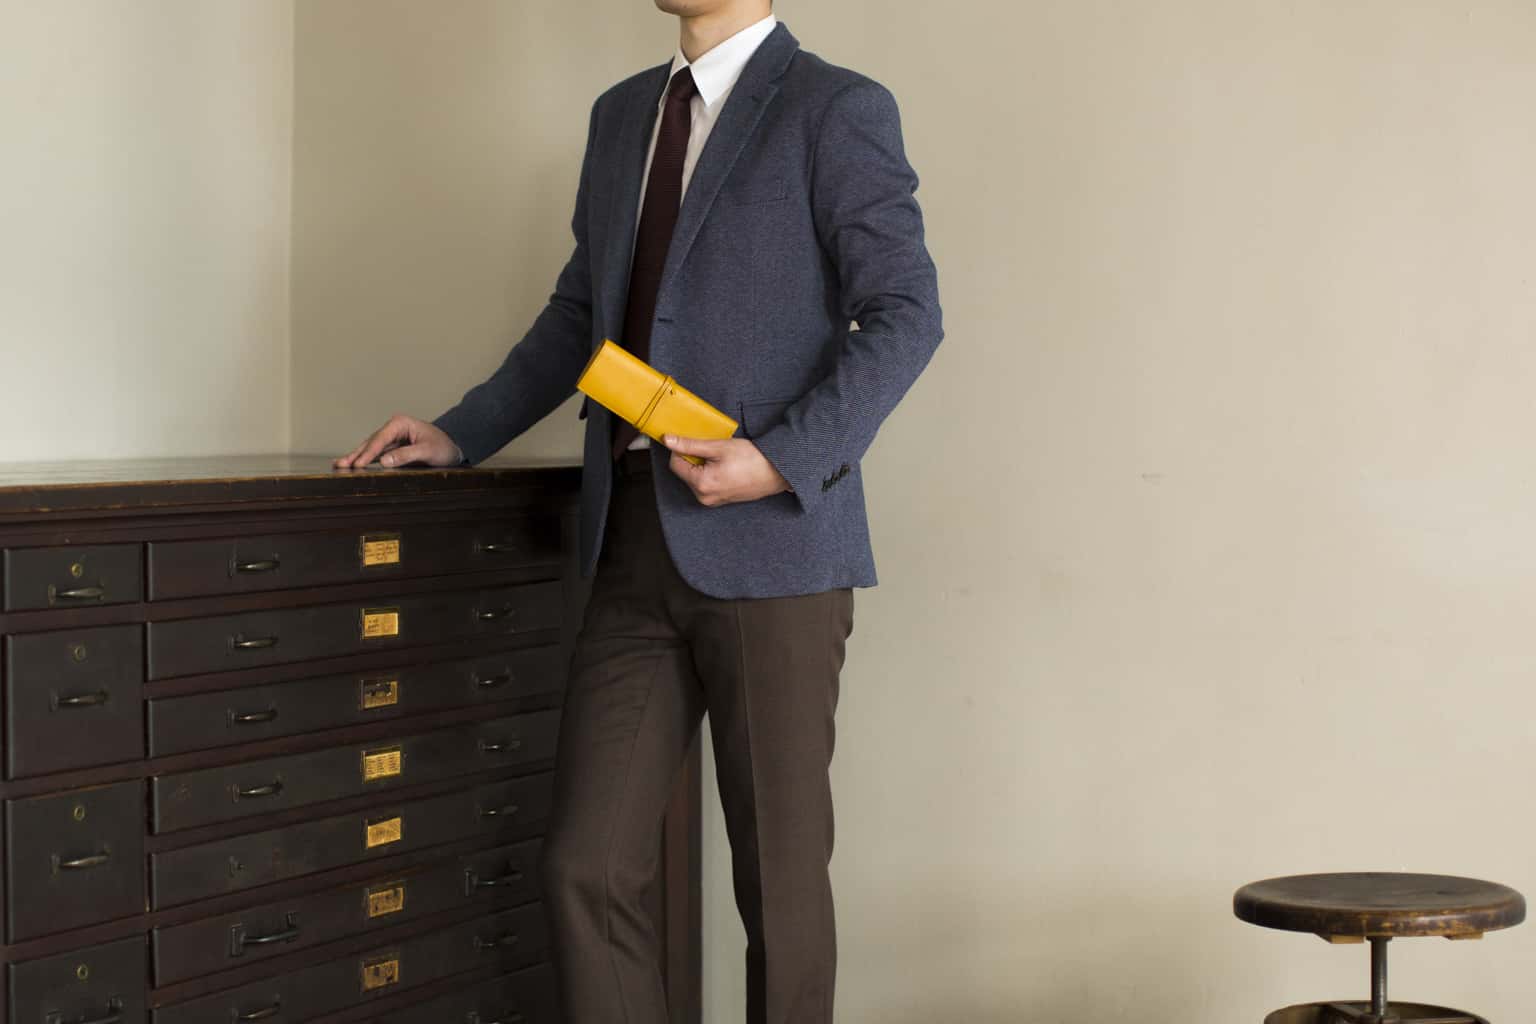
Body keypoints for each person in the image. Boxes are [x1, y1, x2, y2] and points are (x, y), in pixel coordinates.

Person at [335, 1, 942, 1020]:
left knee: (780, 886)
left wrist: (779, 460)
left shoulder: (834, 108)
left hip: (775, 555)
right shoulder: (622, 116)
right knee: (587, 865)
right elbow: (584, 315)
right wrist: (461, 432)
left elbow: (906, 313)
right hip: (630, 546)